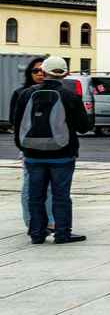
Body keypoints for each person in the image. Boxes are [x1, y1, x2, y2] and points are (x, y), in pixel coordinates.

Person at [12, 56, 93, 244]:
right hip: (62, 154)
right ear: (65, 73)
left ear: (44, 72)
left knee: (35, 194)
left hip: (32, 154)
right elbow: (83, 127)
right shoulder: (70, 96)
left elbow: (17, 124)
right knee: (61, 195)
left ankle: (36, 233)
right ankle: (62, 233)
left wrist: (23, 147)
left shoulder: (26, 94)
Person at [10, 57, 52, 234]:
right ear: (29, 73)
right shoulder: (22, 93)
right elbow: (15, 121)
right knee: (30, 185)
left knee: (49, 186)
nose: (40, 74)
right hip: (30, 148)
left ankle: (49, 221)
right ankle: (31, 222)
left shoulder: (53, 92)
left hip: (53, 146)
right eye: (36, 71)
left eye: (43, 70)